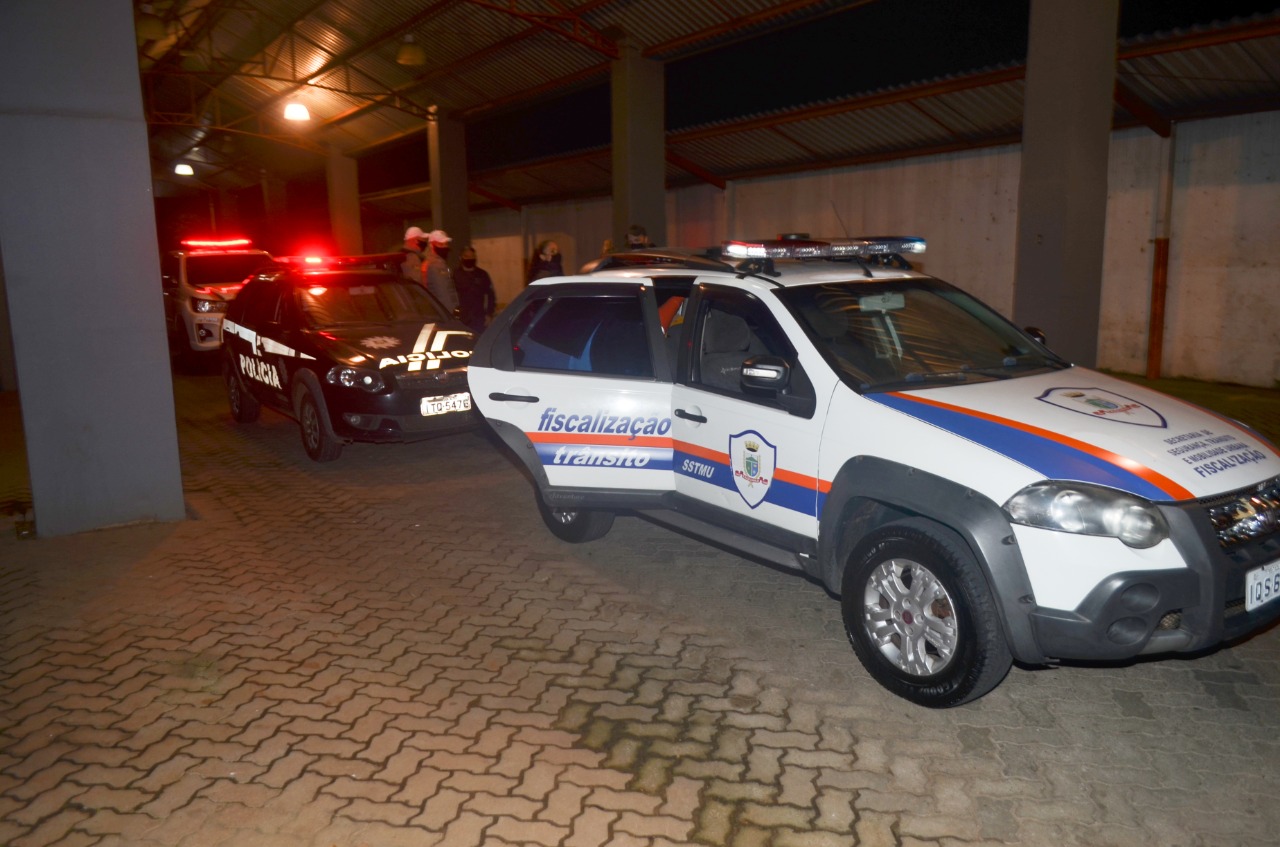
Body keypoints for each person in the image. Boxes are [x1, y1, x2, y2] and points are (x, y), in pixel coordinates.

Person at [454, 245, 495, 333]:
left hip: (479, 318)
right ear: (461, 258)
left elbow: (491, 295)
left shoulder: (482, 274)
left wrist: (489, 314)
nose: (470, 259)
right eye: (467, 256)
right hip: (462, 318)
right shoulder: (455, 275)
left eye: (472, 256)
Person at [422, 229, 458, 312]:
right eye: (441, 244)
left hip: (447, 312)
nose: (445, 247)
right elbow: (439, 292)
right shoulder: (430, 265)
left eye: (446, 244)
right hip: (440, 313)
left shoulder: (442, 264)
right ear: (431, 245)